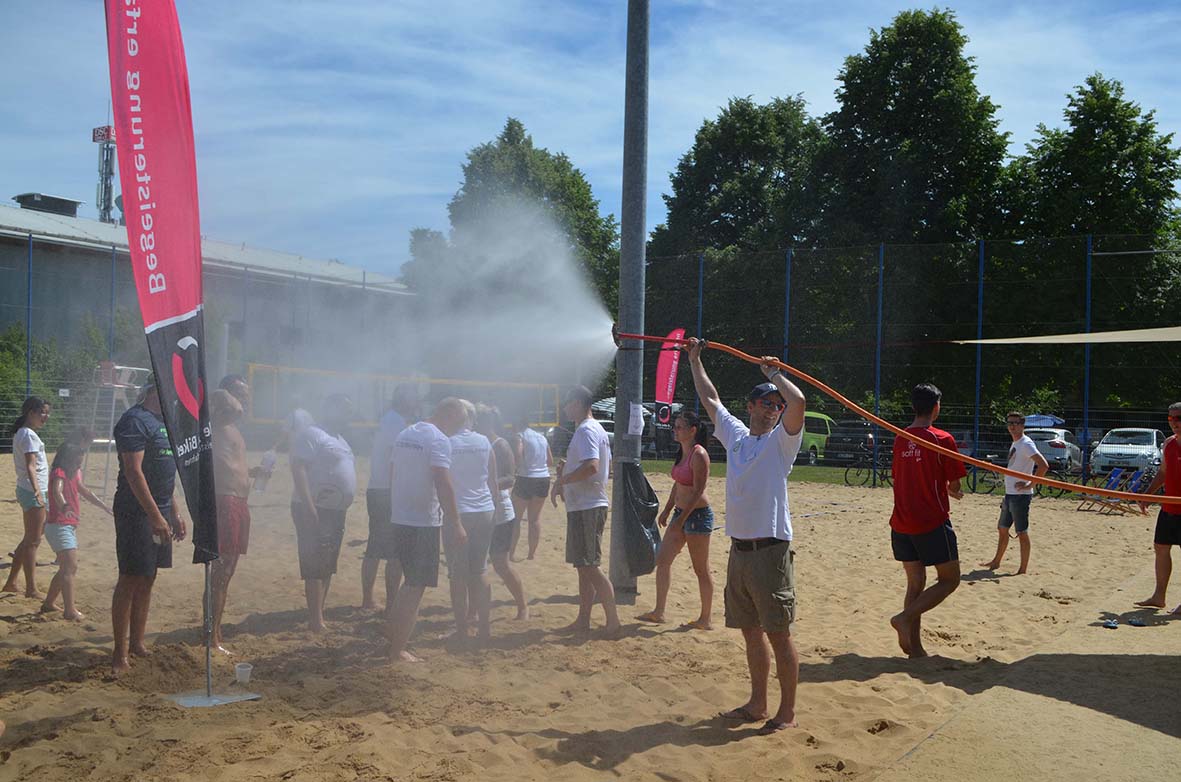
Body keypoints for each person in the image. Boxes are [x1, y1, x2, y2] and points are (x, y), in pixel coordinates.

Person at [685, 339, 805, 735]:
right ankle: (757, 704)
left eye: (776, 406)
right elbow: (710, 398)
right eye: (766, 403)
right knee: (751, 633)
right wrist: (694, 359)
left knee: (778, 634)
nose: (773, 409)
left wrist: (775, 374)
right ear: (750, 407)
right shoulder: (736, 435)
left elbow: (799, 402)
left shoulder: (781, 443)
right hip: (739, 549)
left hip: (769, 551)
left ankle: (786, 713)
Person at [111, 379, 187, 673]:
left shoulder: (163, 422)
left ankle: (137, 643)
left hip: (161, 510)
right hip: (136, 512)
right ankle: (120, 655)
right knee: (130, 577)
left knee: (148, 577)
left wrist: (174, 513)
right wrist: (155, 516)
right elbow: (134, 472)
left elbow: (164, 477)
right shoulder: (134, 420)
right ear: (157, 389)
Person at [384, 397, 468, 662]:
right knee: (415, 586)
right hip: (422, 522)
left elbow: (392, 471)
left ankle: (393, 637)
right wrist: (456, 522)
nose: (457, 430)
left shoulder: (406, 433)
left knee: (409, 583)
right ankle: (398, 649)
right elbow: (443, 482)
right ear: (449, 414)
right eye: (458, 423)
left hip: (401, 517)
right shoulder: (438, 439)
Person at [888, 383, 966, 659]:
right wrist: (951, 490)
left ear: (913, 407)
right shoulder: (942, 439)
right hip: (930, 521)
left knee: (915, 584)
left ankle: (916, 650)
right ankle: (904, 618)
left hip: (901, 522)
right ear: (936, 407)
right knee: (950, 580)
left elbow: (900, 477)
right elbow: (955, 485)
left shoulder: (900, 438)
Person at [549, 385, 620, 635]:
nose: (565, 408)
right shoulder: (591, 429)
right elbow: (598, 468)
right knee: (583, 566)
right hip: (585, 504)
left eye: (567, 403)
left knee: (590, 566)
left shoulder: (587, 430)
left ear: (578, 403)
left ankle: (613, 622)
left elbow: (592, 467)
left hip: (588, 506)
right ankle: (583, 620)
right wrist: (567, 470)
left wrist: (562, 480)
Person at [637, 410, 715, 629]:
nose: (675, 430)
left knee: (701, 569)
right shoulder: (683, 452)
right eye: (675, 426)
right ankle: (659, 611)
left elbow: (698, 490)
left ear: (692, 431)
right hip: (681, 514)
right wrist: (667, 510)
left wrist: (681, 519)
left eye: (679, 427)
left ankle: (706, 618)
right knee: (663, 560)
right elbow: (678, 484)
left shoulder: (699, 454)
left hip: (697, 516)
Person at [290, 394, 356, 634]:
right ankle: (315, 620)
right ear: (329, 409)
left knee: (328, 563)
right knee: (315, 562)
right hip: (314, 508)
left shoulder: (341, 440)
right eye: (344, 409)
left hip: (335, 510)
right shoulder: (312, 434)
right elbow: (298, 468)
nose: (348, 415)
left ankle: (319, 614)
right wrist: (309, 506)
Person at [445, 400, 503, 642]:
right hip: (484, 510)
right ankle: (484, 628)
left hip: (459, 513)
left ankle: (462, 630)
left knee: (458, 575)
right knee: (479, 570)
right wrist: (495, 509)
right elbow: (493, 481)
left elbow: (442, 480)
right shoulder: (484, 441)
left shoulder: (447, 442)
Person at [209, 388, 259, 654]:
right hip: (226, 501)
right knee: (221, 572)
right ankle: (211, 636)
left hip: (239, 501)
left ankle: (214, 630)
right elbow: (234, 406)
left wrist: (253, 472)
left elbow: (232, 465)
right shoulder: (218, 419)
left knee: (227, 572)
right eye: (241, 392)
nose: (245, 399)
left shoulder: (232, 429)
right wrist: (231, 392)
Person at [41, 442, 113, 620]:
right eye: (76, 462)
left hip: (66, 525)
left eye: (80, 463)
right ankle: (70, 610)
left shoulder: (74, 473)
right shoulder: (59, 472)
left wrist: (103, 506)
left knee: (66, 567)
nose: (78, 465)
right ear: (67, 459)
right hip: (59, 525)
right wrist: (65, 506)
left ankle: (49, 603)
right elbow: (57, 491)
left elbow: (85, 491)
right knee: (70, 567)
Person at [362, 386, 418, 610]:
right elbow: (399, 459)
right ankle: (387, 602)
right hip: (388, 491)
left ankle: (371, 600)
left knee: (376, 548)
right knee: (393, 551)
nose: (416, 404)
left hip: (381, 489)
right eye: (413, 399)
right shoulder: (395, 422)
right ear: (403, 401)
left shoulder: (391, 419)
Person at [476, 404, 528, 620]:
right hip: (479, 510)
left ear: (487, 422)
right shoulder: (476, 443)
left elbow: (510, 478)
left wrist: (485, 484)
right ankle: (472, 612)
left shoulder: (501, 444)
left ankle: (523, 606)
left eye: (478, 421)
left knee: (500, 564)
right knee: (476, 566)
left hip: (500, 513)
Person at [980, 412, 1048, 575]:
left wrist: (1030, 484)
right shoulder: (1016, 443)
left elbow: (1043, 465)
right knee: (1002, 528)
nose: (1012, 426)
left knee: (1021, 532)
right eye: (1010, 423)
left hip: (1020, 496)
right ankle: (996, 561)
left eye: (1016, 423)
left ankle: (1022, 569)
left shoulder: (1026, 443)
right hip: (1010, 493)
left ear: (1022, 425)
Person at [1134, 401, 1181, 611]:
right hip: (1169, 507)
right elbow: (1163, 472)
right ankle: (1159, 597)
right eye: (1171, 418)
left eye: (1178, 418)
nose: (1174, 422)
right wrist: (1147, 495)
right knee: (1161, 547)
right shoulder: (1169, 443)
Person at [4, 397, 51, 597]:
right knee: (32, 541)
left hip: (31, 489)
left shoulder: (24, 433)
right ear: (31, 413)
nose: (46, 416)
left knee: (30, 538)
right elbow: (31, 466)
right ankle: (31, 588)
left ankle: (11, 582)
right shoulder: (28, 435)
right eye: (42, 412)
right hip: (33, 491)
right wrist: (37, 491)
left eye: (47, 412)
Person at [510, 413, 554, 561]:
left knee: (515, 519)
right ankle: (531, 554)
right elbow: (550, 461)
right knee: (534, 520)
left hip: (526, 477)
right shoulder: (541, 437)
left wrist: (514, 468)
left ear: (517, 424)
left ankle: (511, 553)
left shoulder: (520, 436)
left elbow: (517, 455)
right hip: (543, 478)